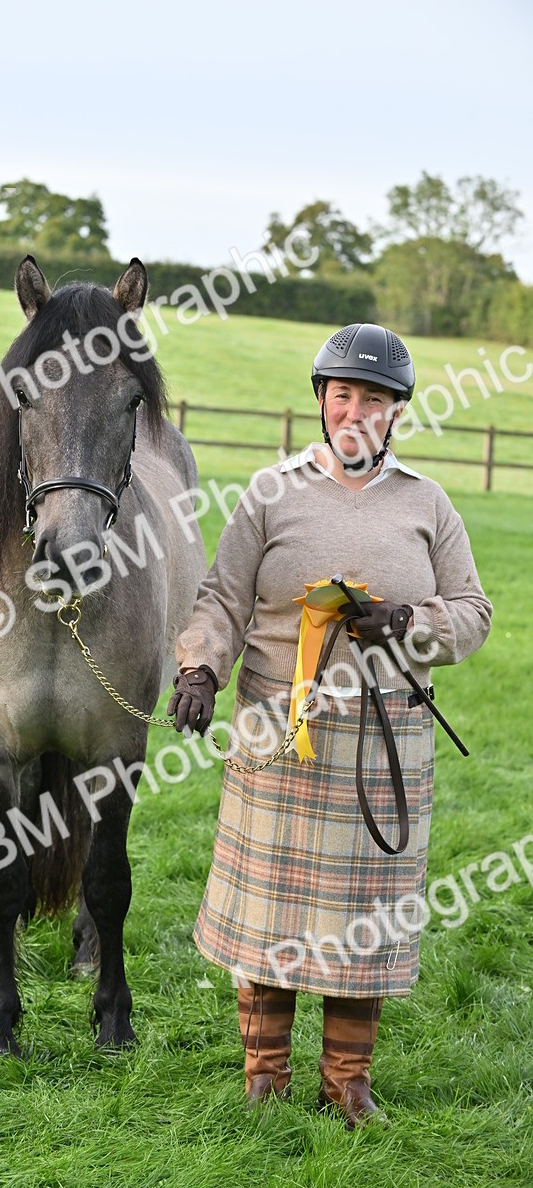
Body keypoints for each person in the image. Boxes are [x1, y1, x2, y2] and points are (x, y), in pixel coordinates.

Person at [168, 323, 492, 1128]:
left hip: (385, 739)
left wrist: (408, 619)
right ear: (320, 401)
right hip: (278, 733)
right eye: (342, 393)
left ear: (396, 413)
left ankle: (346, 1081)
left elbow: (475, 615)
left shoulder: (428, 503)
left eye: (373, 398)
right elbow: (223, 597)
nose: (355, 410)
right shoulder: (270, 492)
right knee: (270, 913)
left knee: (363, 917)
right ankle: (264, 1075)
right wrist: (201, 667)